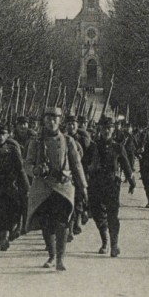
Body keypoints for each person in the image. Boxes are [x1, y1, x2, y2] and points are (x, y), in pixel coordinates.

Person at [24, 106, 88, 272]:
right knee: (47, 224)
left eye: (55, 119)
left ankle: (60, 258)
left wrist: (83, 186)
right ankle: (51, 255)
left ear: (60, 121)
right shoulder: (35, 141)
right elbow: (27, 164)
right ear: (43, 121)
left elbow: (77, 165)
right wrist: (35, 170)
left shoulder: (68, 141)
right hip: (43, 187)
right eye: (48, 119)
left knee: (62, 223)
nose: (51, 122)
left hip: (63, 187)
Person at [82, 115, 136, 257]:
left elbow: (126, 165)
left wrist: (132, 181)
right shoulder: (93, 147)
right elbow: (83, 164)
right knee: (97, 213)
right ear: (99, 129)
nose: (106, 131)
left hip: (112, 185)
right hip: (95, 185)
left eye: (109, 128)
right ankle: (104, 240)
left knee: (113, 215)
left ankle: (114, 244)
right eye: (104, 128)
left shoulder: (118, 148)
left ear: (112, 130)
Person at [0, 122, 29, 251]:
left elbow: (20, 168)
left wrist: (25, 186)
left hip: (10, 186)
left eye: (3, 134)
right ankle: (0, 238)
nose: (0, 137)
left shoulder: (12, 148)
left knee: (11, 211)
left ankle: (6, 236)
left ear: (8, 134)